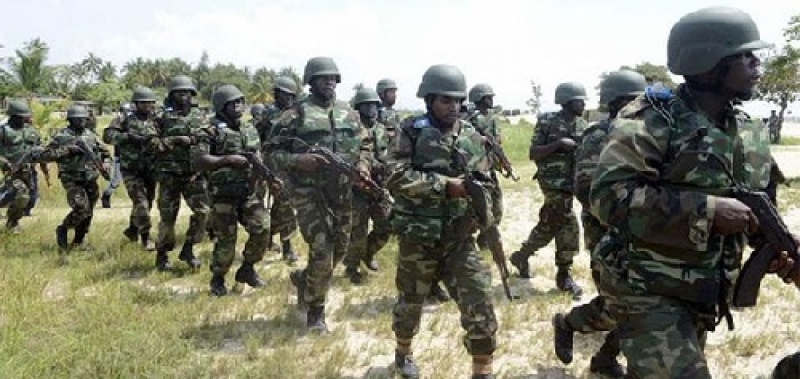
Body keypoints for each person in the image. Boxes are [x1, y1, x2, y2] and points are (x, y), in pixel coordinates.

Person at [589, 7, 800, 377]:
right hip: (643, 282)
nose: (756, 64)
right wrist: (707, 209)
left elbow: (756, 207)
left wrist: (775, 248)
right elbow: (609, 197)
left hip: (704, 286)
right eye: (745, 56)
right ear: (708, 62)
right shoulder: (651, 119)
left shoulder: (750, 130)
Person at [386, 64, 498, 379]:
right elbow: (393, 174)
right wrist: (443, 186)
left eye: (458, 100)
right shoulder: (410, 130)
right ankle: (403, 351)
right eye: (446, 100)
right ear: (430, 100)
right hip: (418, 236)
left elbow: (485, 182)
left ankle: (482, 367)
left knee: (479, 299)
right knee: (411, 301)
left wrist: (483, 216)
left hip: (459, 237)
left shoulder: (472, 136)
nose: (454, 107)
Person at [551, 70, 647, 378]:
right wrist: (624, 214)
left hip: (642, 230)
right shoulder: (598, 135)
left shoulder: (647, 133)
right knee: (621, 302)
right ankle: (569, 324)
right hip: (606, 231)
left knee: (646, 301)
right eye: (635, 99)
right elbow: (585, 187)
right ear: (618, 102)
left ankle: (606, 357)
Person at [270, 57, 372, 333]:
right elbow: (271, 154)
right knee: (322, 251)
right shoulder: (293, 115)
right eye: (323, 77)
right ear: (311, 81)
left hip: (342, 192)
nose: (329, 81)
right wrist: (298, 159)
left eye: (333, 78)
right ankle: (316, 312)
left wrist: (363, 164)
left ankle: (305, 279)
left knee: (340, 248)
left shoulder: (349, 113)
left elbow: (365, 144)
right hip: (309, 193)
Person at [509, 82, 588, 299]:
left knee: (550, 223)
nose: (583, 104)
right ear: (568, 101)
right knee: (568, 223)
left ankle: (521, 255)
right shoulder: (547, 121)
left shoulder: (583, 124)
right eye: (580, 100)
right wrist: (558, 144)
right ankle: (564, 275)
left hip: (573, 182)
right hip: (552, 182)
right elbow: (533, 153)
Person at [193, 84, 270, 296]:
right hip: (222, 195)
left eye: (240, 102)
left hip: (249, 192)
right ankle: (218, 279)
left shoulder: (250, 129)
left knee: (263, 229)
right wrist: (228, 160)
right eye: (232, 103)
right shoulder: (208, 131)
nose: (238, 106)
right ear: (221, 106)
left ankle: (247, 269)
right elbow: (199, 161)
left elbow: (258, 155)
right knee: (226, 241)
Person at [151, 74, 209, 271]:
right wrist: (173, 141)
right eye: (179, 93)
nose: (183, 96)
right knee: (168, 218)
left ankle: (188, 248)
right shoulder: (161, 116)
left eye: (187, 92)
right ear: (172, 95)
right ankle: (162, 255)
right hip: (169, 175)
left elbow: (209, 139)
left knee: (204, 213)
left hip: (193, 175)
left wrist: (195, 143)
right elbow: (151, 143)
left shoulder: (200, 116)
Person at [39, 104, 111, 253]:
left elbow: (105, 153)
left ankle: (79, 241)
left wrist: (106, 164)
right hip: (71, 178)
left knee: (89, 211)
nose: (82, 122)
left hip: (90, 178)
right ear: (70, 120)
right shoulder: (61, 136)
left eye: (84, 119)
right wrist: (67, 150)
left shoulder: (91, 135)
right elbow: (45, 155)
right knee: (80, 207)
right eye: (78, 119)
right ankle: (64, 228)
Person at [342, 87, 395, 283]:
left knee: (386, 225)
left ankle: (368, 252)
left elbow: (392, 153)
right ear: (358, 108)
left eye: (374, 105)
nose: (371, 109)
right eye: (366, 105)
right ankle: (352, 266)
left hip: (380, 187)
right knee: (358, 231)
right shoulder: (351, 131)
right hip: (357, 188)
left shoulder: (382, 129)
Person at [102, 88, 159, 251]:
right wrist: (127, 137)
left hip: (151, 169)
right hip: (131, 170)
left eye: (150, 103)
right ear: (136, 104)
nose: (147, 106)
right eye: (143, 103)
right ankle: (146, 238)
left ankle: (132, 229)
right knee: (140, 202)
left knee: (147, 203)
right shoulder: (124, 119)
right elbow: (108, 136)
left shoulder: (157, 119)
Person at [258, 76, 301, 263]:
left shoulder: (298, 113)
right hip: (273, 164)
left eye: (291, 95)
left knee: (282, 204)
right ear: (277, 94)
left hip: (293, 164)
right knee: (286, 204)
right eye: (284, 95)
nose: (288, 99)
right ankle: (287, 246)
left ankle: (269, 236)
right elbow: (256, 137)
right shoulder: (268, 114)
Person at [0, 100, 43, 233]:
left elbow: (40, 147)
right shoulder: (4, 131)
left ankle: (12, 220)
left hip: (29, 170)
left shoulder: (32, 131)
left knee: (30, 198)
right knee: (21, 195)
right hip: (12, 170)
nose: (23, 119)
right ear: (12, 116)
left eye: (24, 116)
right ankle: (12, 224)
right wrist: (6, 163)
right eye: (20, 117)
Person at [101, 103, 134, 209]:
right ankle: (106, 195)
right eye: (126, 111)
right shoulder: (117, 122)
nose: (128, 114)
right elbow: (110, 137)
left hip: (136, 157)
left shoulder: (136, 121)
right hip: (120, 156)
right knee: (116, 181)